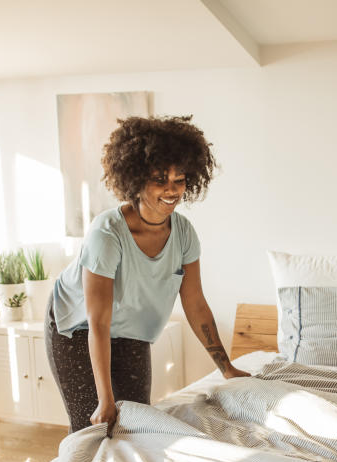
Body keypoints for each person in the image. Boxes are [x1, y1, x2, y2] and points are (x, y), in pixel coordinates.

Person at [45, 115, 249, 433]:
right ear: (137, 180)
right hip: (78, 329)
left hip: (131, 331)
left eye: (179, 180)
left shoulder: (184, 234)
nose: (171, 190)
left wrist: (226, 368)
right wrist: (105, 400)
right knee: (97, 429)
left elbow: (195, 304)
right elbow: (98, 322)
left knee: (137, 426)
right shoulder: (107, 234)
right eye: (159, 180)